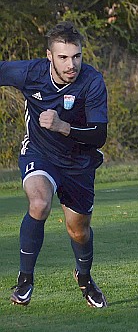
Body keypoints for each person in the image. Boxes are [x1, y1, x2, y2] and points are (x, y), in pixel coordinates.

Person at [0, 21, 108, 308]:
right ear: (50, 56)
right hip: (40, 153)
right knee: (39, 204)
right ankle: (25, 281)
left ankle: (84, 280)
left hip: (79, 163)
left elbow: (99, 136)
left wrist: (64, 127)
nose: (71, 64)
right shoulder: (30, 73)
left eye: (76, 56)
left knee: (79, 230)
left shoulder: (92, 81)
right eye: (63, 57)